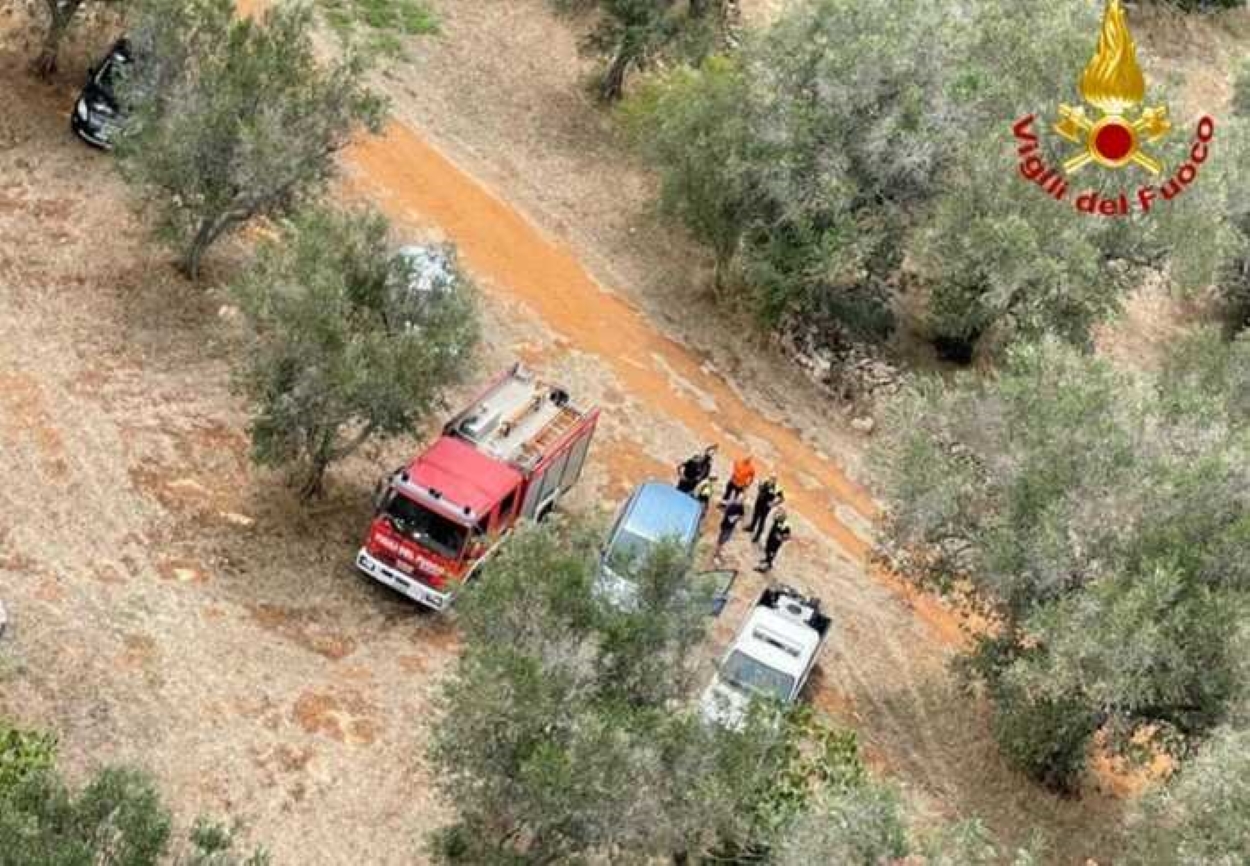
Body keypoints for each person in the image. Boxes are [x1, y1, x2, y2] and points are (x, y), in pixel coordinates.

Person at [749, 476, 783, 544]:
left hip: (765, 507)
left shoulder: (777, 489)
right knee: (755, 515)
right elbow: (760, 489)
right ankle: (751, 527)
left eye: (773, 479)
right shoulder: (766, 482)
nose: (771, 480)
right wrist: (759, 485)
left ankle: (757, 536)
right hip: (759, 502)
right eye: (771, 478)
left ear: (775, 481)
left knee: (762, 521)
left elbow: (782, 499)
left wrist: (773, 504)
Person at [755, 509, 792, 573]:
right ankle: (767, 560)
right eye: (779, 515)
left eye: (781, 516)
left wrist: (781, 538)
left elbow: (788, 536)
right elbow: (773, 516)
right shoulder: (778, 520)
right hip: (770, 539)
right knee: (767, 550)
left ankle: (767, 565)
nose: (779, 516)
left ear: (784, 517)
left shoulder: (786, 526)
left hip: (775, 543)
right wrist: (777, 511)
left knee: (771, 553)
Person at [713, 491, 745, 562]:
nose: (740, 501)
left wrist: (738, 517)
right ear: (737, 498)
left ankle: (718, 552)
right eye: (739, 499)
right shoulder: (731, 505)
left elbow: (742, 516)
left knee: (725, 539)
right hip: (725, 525)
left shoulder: (741, 506)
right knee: (721, 541)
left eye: (741, 499)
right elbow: (721, 507)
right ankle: (716, 554)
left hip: (731, 526)